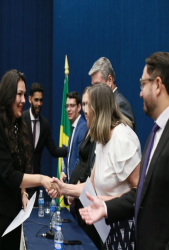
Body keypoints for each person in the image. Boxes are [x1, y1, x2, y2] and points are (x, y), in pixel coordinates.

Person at [80, 52, 169, 250]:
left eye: (143, 84)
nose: (139, 93)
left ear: (158, 85)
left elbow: (140, 191)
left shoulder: (123, 136)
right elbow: (143, 194)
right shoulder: (156, 132)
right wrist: (105, 206)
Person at [48, 83, 141, 249]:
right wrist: (64, 188)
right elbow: (91, 187)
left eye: (87, 106)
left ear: (99, 109)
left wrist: (106, 202)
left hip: (124, 229)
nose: (85, 111)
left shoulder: (122, 138)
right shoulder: (102, 138)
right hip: (105, 226)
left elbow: (140, 193)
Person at [0, 70, 56, 250]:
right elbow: (9, 174)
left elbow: (19, 167)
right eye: (18, 94)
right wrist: (42, 179)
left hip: (14, 219)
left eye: (24, 94)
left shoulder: (20, 126)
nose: (22, 100)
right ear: (7, 94)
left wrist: (22, 193)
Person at [65, 87, 101, 249]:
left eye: (88, 104)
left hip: (88, 199)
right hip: (79, 198)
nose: (86, 109)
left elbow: (88, 168)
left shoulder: (89, 129)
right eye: (85, 104)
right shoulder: (84, 128)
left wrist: (71, 189)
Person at [22, 83, 67, 204]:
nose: (39, 104)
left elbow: (53, 150)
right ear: (29, 99)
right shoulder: (20, 119)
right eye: (36, 100)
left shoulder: (45, 124)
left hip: (36, 183)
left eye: (41, 100)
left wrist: (71, 149)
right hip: (20, 183)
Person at [89, 57, 136, 131]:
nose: (94, 91)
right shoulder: (104, 104)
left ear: (110, 80)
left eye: (97, 85)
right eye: (93, 86)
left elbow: (125, 137)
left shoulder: (120, 104)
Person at [60, 91, 87, 184]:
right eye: (67, 106)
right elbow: (70, 156)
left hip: (75, 186)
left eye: (72, 106)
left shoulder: (83, 127)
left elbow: (79, 160)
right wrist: (63, 171)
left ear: (79, 107)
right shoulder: (74, 128)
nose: (68, 109)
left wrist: (71, 185)